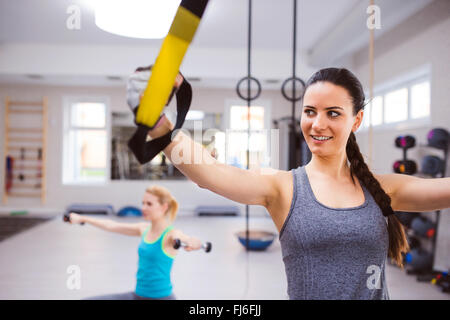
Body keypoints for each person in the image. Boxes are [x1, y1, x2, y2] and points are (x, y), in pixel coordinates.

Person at [132, 67, 450, 300]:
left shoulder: (383, 189)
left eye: (333, 113)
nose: (317, 123)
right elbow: (210, 173)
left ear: (356, 120)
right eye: (310, 111)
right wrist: (160, 123)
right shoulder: (283, 188)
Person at [68, 185, 203, 300]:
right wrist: (82, 218)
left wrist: (193, 241)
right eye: (143, 203)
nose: (144, 207)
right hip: (138, 296)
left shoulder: (170, 235)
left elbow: (184, 238)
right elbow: (111, 225)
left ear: (163, 207)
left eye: (149, 204)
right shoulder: (143, 229)